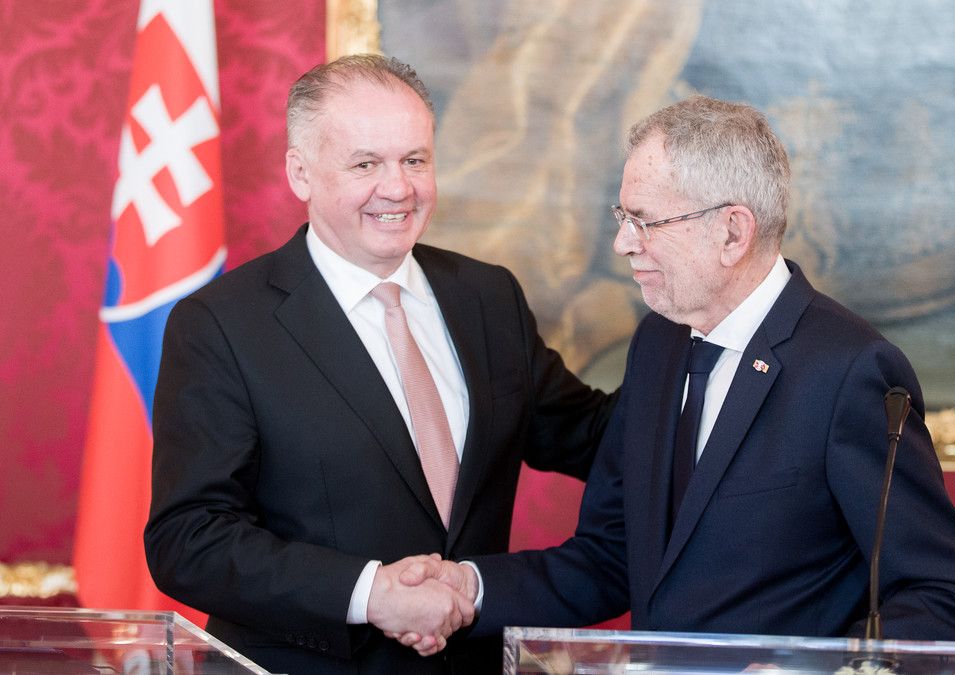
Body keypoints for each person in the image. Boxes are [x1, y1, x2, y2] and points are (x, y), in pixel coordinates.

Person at [396, 94, 955, 648]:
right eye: (622, 216)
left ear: (732, 231)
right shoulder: (659, 343)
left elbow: (945, 594)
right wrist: (470, 587)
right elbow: (613, 556)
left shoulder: (850, 370)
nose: (623, 243)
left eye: (645, 221)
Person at [143, 54, 617, 675]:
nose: (398, 188)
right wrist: (370, 594)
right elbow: (188, 539)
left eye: (414, 160)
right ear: (301, 173)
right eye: (365, 164)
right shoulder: (222, 324)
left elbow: (591, 436)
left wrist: (704, 340)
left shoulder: (488, 296)